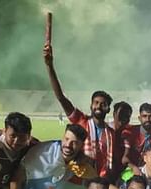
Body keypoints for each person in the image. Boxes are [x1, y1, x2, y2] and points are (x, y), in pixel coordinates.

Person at [43, 44, 115, 179]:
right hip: (76, 178)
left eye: (103, 104)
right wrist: (50, 66)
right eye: (96, 103)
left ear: (108, 109)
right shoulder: (81, 120)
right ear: (91, 105)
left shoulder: (110, 133)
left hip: (99, 181)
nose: (99, 106)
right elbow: (61, 97)